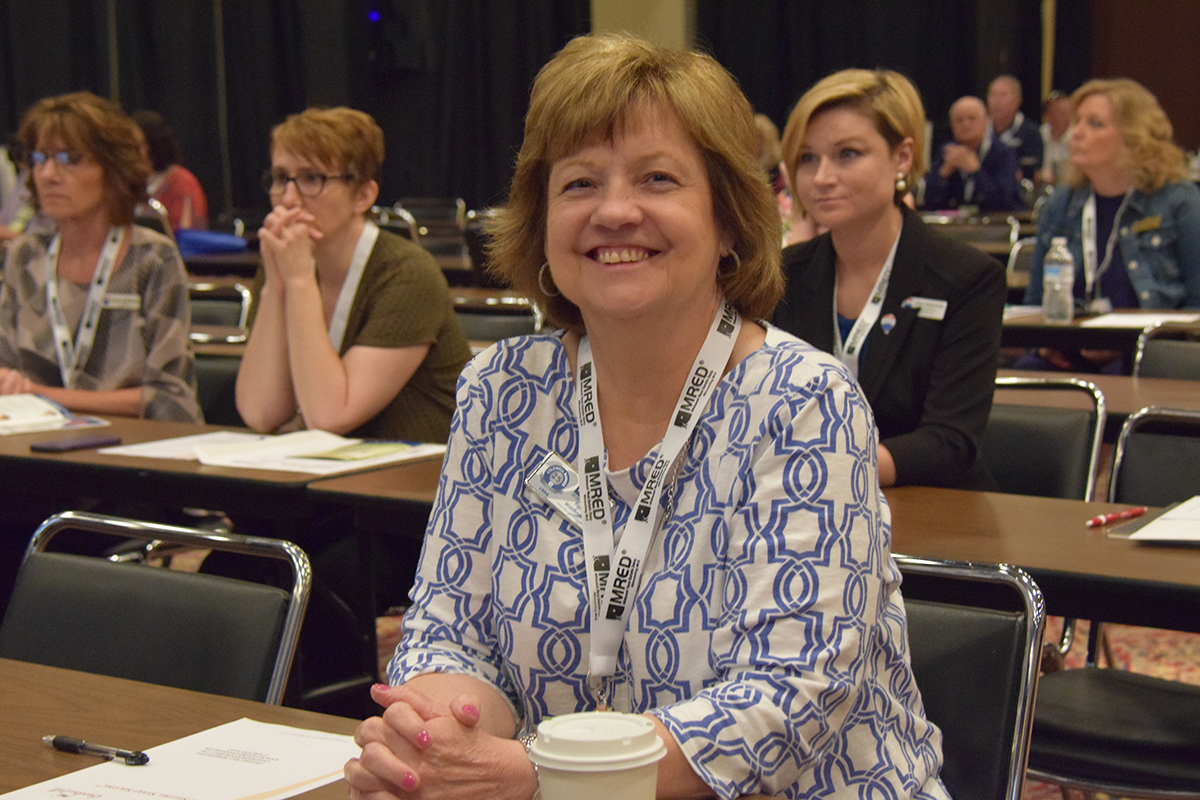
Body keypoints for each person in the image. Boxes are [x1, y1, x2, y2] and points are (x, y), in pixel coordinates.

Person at [346, 34, 949, 800]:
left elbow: (790, 696)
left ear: (727, 220)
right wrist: (436, 739)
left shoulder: (804, 402)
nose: (615, 211)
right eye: (579, 183)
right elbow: (448, 627)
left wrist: (537, 776)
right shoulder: (501, 391)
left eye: (658, 178)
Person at [773, 69, 1006, 490]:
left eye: (847, 154)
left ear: (902, 157)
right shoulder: (783, 274)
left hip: (931, 506)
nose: (822, 177)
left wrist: (833, 468)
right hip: (801, 500)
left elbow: (950, 441)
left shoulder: (966, 278)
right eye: (807, 158)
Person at [234, 106, 471, 442]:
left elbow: (330, 416)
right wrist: (276, 285)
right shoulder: (286, 264)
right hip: (327, 468)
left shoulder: (408, 273)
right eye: (281, 178)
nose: (288, 199)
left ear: (363, 196)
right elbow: (262, 413)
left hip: (417, 471)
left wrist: (299, 282)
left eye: (311, 179)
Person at [0, 92, 201, 422]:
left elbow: (171, 398)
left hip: (136, 445)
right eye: (40, 158)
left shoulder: (151, 258)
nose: (48, 174)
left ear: (113, 169)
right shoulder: (26, 257)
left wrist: (42, 395)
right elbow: (5, 369)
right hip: (35, 441)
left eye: (69, 159)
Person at [1020, 78, 1200, 371]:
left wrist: (1145, 347)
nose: (1077, 133)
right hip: (1068, 355)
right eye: (1077, 122)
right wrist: (1045, 343)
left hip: (1149, 359)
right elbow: (1034, 304)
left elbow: (1197, 303)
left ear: (1134, 137)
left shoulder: (1179, 202)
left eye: (1095, 124)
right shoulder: (1060, 205)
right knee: (1022, 376)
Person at [923, 96, 1024, 212]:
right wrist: (943, 174)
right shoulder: (946, 152)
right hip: (954, 221)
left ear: (986, 121)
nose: (966, 125)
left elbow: (1004, 201)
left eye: (972, 119)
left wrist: (976, 171)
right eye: (959, 120)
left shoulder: (1003, 153)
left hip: (994, 221)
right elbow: (929, 201)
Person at [132, 110, 209, 231]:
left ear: (153, 145)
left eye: (138, 145)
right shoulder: (130, 181)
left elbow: (185, 231)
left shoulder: (182, 181)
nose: (131, 152)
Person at [987, 74, 1044, 183]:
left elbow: (1035, 172)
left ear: (1017, 101)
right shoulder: (981, 130)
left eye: (1002, 95)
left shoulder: (1031, 132)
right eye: (993, 94)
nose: (996, 100)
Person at [1040, 90, 1073, 188]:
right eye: (1056, 112)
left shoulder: (1077, 138)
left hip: (1067, 187)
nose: (1059, 117)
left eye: (1064, 113)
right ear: (1047, 115)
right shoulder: (1039, 135)